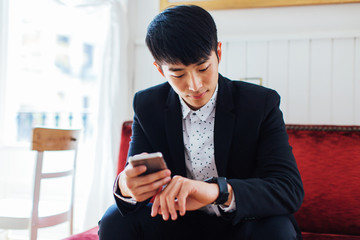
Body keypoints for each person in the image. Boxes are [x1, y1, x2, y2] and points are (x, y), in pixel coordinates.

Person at [99, 4, 304, 240]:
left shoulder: (259, 103)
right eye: (178, 74)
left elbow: (288, 189)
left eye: (203, 67)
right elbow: (137, 185)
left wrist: (217, 191)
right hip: (177, 224)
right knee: (114, 219)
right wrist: (126, 187)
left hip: (243, 223)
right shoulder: (147, 105)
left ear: (218, 52)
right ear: (160, 70)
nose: (195, 85)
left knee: (276, 230)